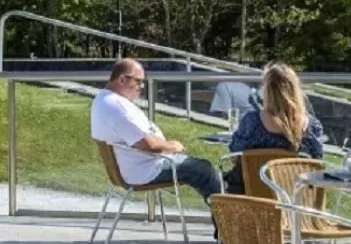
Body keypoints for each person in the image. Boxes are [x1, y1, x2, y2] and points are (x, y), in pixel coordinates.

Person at [90, 58, 222, 204]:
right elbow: (149, 146)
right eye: (138, 81)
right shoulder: (117, 107)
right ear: (122, 79)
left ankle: (224, 214)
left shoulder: (103, 99)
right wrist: (173, 146)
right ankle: (228, 220)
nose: (141, 86)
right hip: (146, 171)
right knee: (204, 170)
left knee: (204, 170)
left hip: (135, 168)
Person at [223, 62, 326, 195]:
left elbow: (234, 153)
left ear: (266, 91)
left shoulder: (252, 122)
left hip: (252, 203)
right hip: (296, 206)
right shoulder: (312, 127)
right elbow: (317, 165)